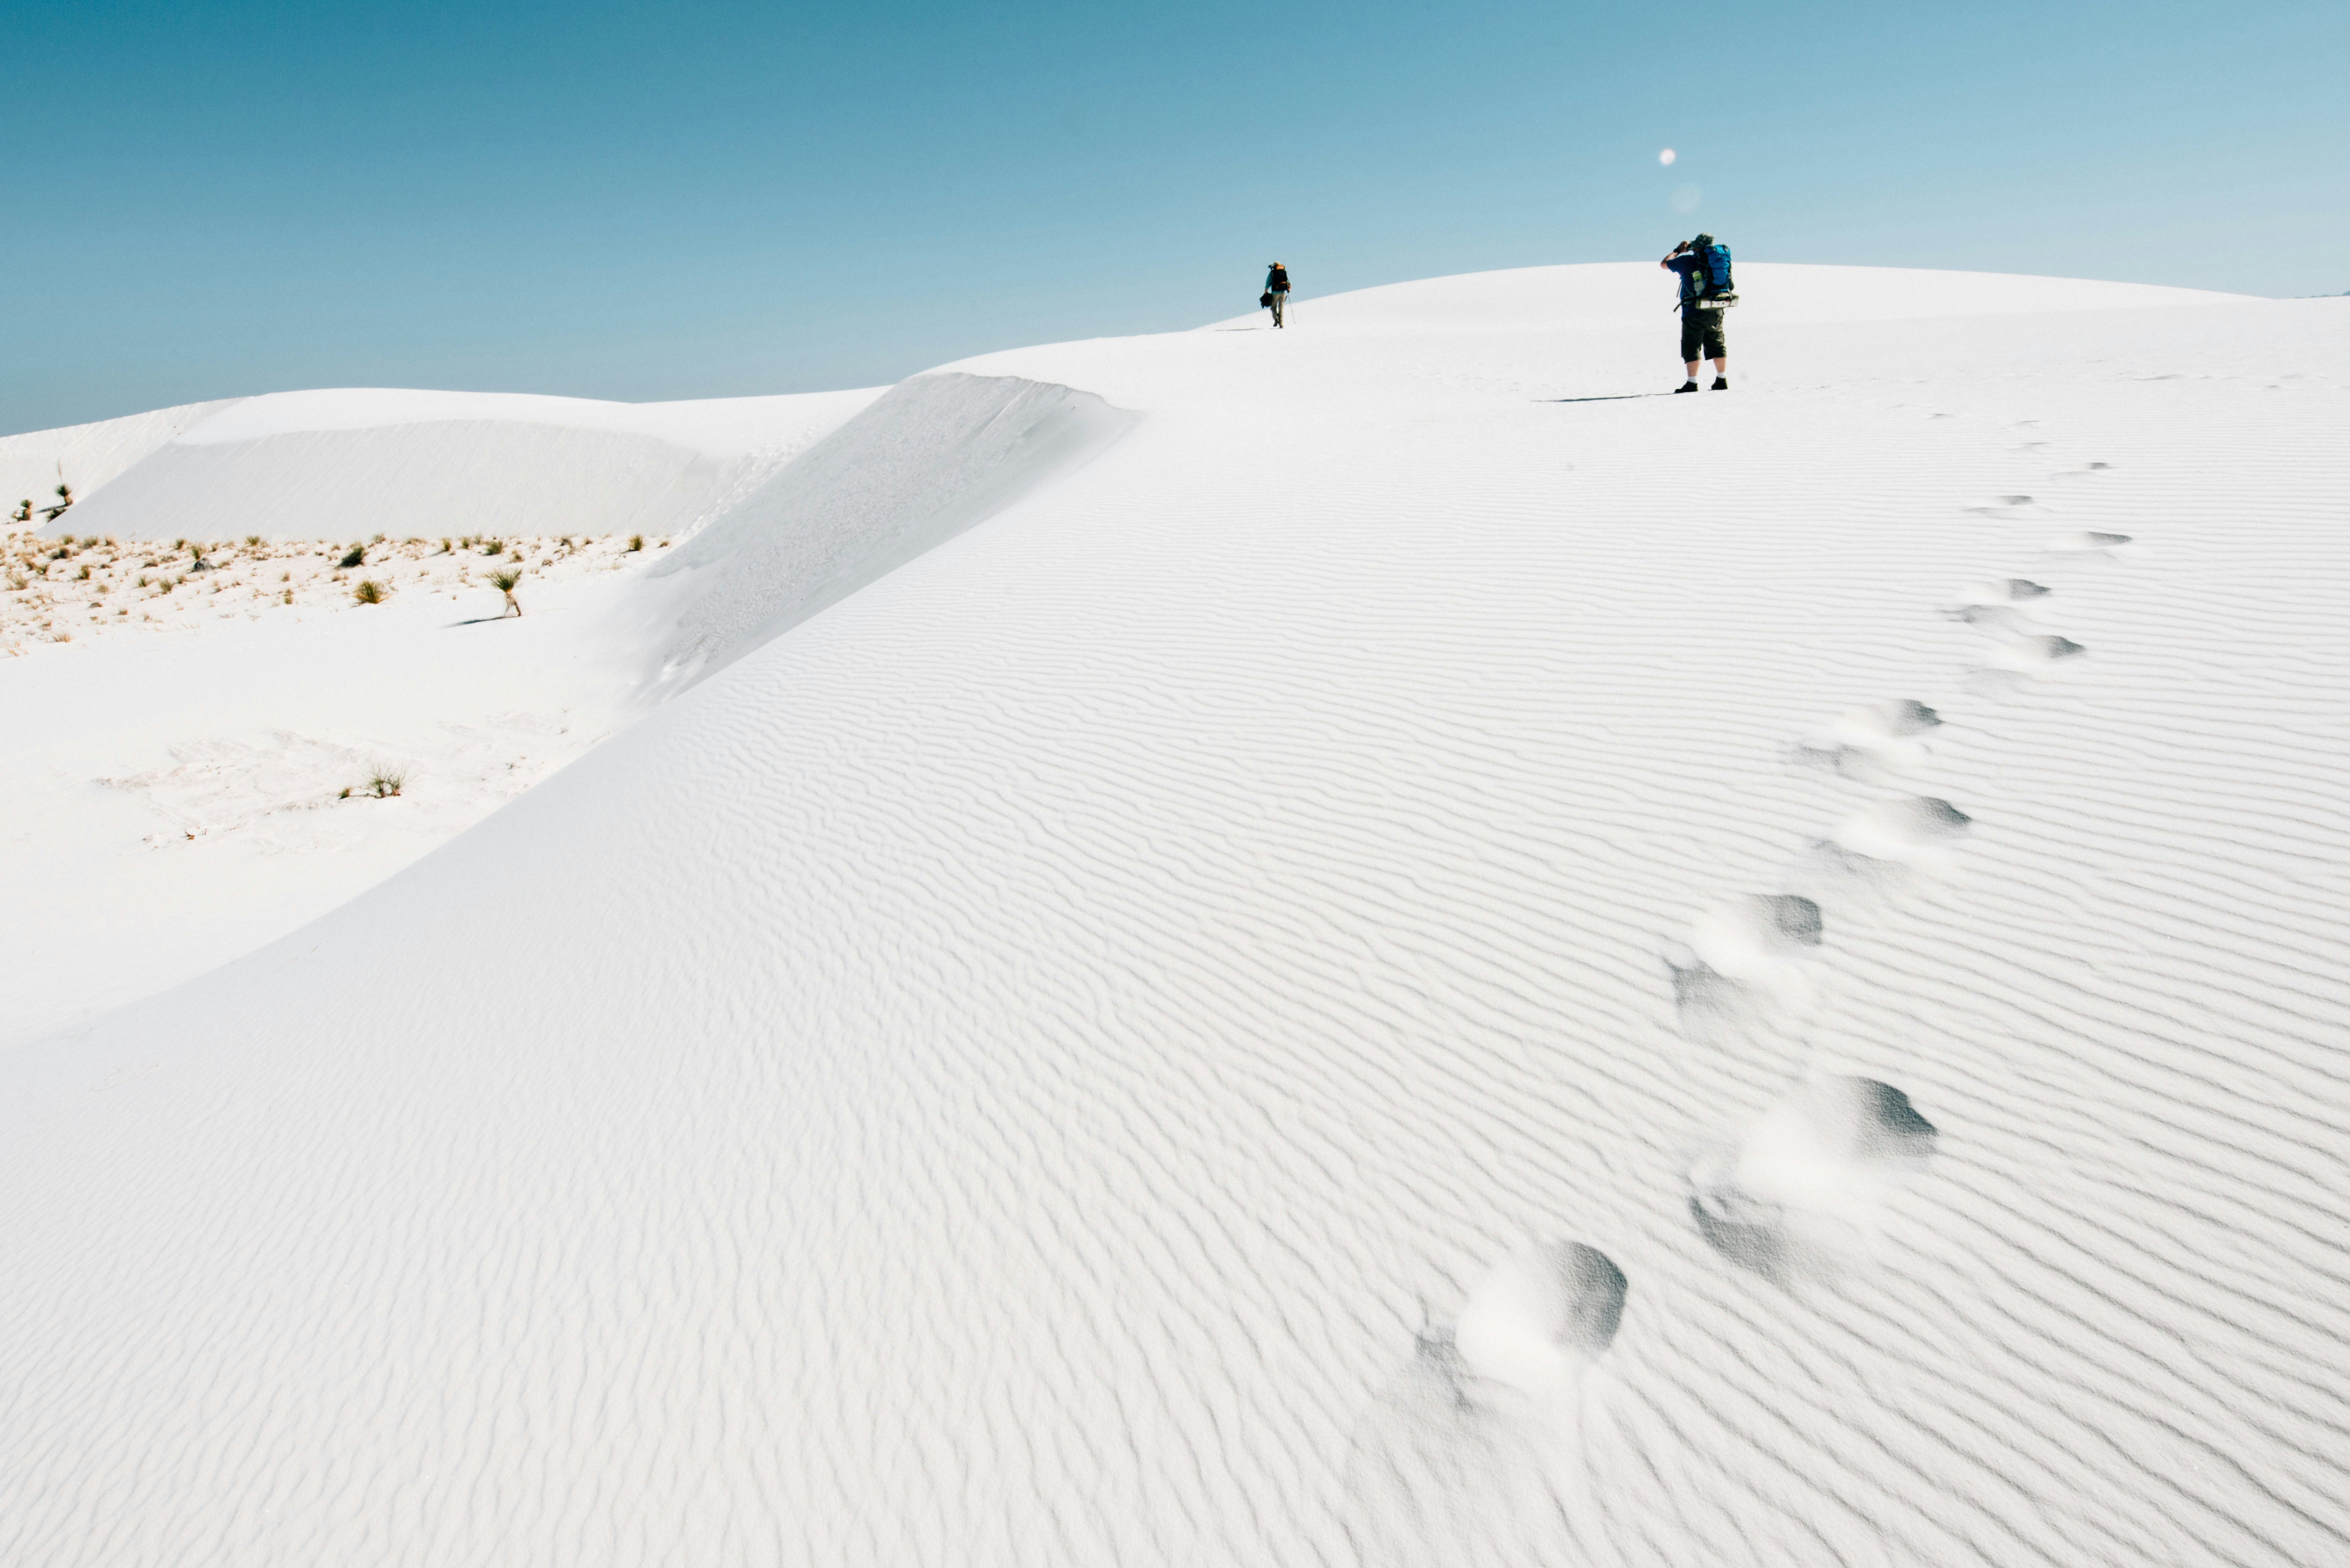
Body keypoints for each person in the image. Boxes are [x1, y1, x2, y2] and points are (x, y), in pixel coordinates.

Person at [1661, 235, 1729, 391]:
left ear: (1696, 247)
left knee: (1692, 346)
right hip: (1716, 308)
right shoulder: (1719, 262)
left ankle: (1692, 383)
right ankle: (1722, 380)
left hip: (1693, 311)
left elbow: (1664, 264)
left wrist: (1678, 251)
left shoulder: (1687, 262)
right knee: (1718, 345)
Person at [1264, 262, 1291, 329]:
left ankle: (1276, 319)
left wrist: (1265, 293)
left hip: (1275, 293)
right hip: (1283, 293)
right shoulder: (1284, 272)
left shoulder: (1272, 273)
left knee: (1273, 308)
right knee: (1281, 308)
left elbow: (1268, 284)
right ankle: (1281, 324)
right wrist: (1289, 289)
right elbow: (1290, 283)